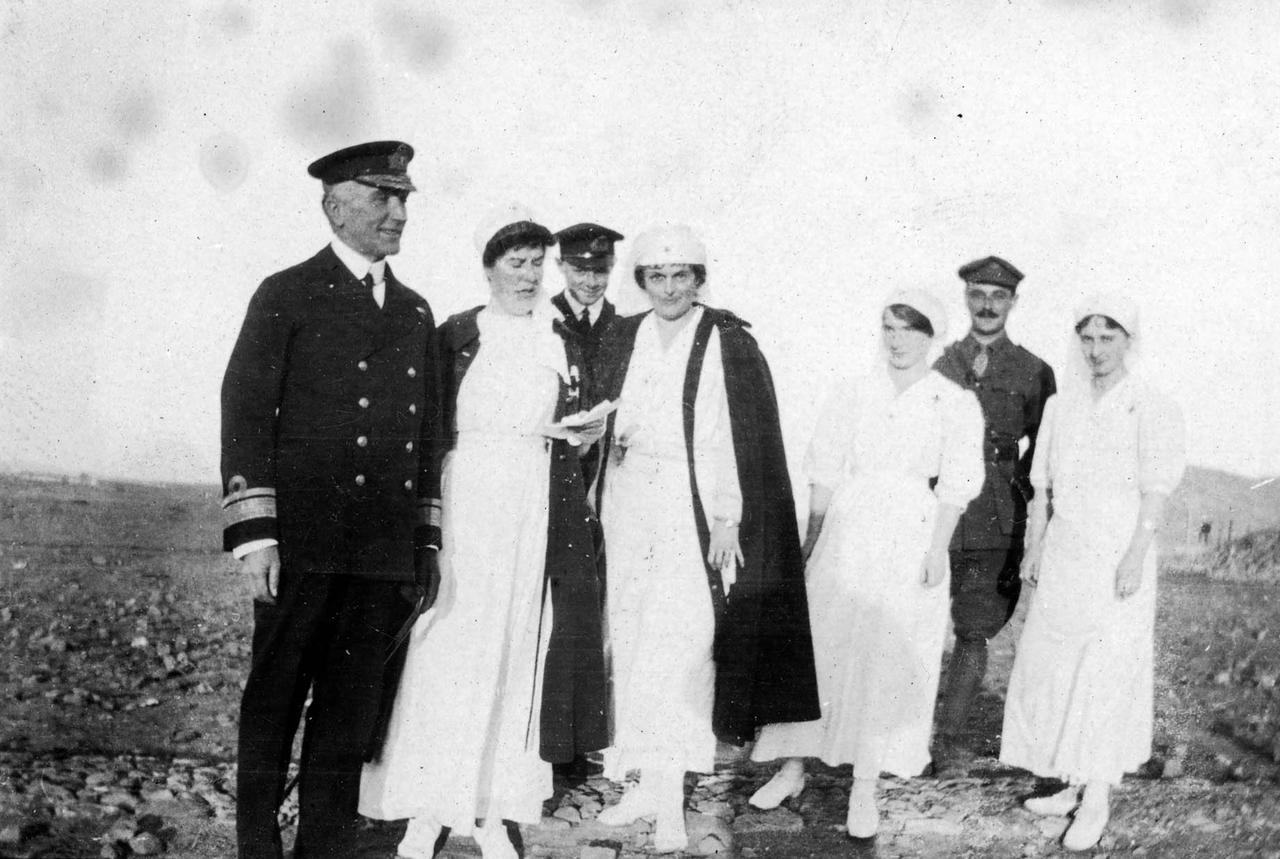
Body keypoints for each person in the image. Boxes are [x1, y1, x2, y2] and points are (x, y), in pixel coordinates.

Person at [359, 204, 609, 859]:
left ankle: (493, 809)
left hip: (533, 504)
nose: (528, 275)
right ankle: (426, 808)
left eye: (536, 263)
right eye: (515, 262)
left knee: (516, 647)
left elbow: (580, 426)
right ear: (489, 268)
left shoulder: (561, 338)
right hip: (466, 497)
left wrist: (582, 435)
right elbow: (424, 425)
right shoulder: (455, 335)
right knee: (447, 644)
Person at [220, 140, 440, 859]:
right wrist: (256, 535)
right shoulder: (286, 293)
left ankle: (324, 846)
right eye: (383, 197)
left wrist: (424, 540)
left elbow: (428, 436)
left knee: (349, 714)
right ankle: (257, 847)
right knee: (275, 701)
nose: (398, 212)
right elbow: (246, 411)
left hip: (378, 552)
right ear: (335, 207)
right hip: (303, 546)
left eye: (402, 198)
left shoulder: (414, 311)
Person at [592, 225, 820, 853]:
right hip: (628, 503)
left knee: (682, 647)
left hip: (692, 512)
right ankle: (643, 782)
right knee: (631, 642)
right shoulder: (625, 335)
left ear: (699, 279)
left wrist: (728, 516)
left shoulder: (724, 339)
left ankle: (670, 800)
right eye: (656, 276)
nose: (669, 288)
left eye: (681, 276)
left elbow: (734, 436)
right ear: (642, 282)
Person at [749, 290, 985, 839]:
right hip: (849, 528)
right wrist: (811, 541)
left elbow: (956, 485)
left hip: (910, 531)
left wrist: (936, 550)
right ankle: (793, 767)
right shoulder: (852, 391)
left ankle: (864, 784)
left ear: (932, 337)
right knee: (821, 644)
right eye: (889, 328)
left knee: (885, 655)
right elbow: (825, 470)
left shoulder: (953, 402)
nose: (897, 341)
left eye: (910, 330)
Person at [1000, 294, 1185, 851]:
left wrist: (1134, 555)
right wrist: (1034, 546)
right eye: (1088, 338)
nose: (1097, 349)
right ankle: (1071, 782)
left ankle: (1097, 797)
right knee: (1057, 665)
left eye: (1109, 337)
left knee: (1107, 669)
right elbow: (1042, 487)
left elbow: (1155, 491)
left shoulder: (1149, 404)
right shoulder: (1062, 406)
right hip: (1066, 553)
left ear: (1129, 341)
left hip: (1118, 553)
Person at [932, 255, 1057, 775]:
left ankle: (948, 742)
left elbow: (1048, 448)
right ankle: (896, 737)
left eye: (998, 296)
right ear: (966, 298)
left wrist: (1017, 493)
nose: (987, 305)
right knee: (911, 623)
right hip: (934, 511)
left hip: (994, 517)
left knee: (974, 628)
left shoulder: (1034, 371)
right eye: (979, 294)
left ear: (1013, 302)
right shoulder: (938, 362)